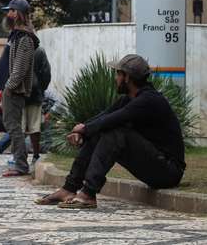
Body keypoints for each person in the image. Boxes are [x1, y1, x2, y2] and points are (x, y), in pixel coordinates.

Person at [37, 54, 186, 210]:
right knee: (102, 130)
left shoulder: (148, 100)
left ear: (126, 77)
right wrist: (82, 131)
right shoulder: (129, 99)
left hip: (169, 172)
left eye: (118, 74)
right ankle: (69, 188)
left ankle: (88, 192)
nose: (116, 78)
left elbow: (115, 119)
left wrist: (85, 129)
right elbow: (104, 116)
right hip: (156, 165)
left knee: (116, 132)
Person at [1, 0, 39, 177]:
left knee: (13, 127)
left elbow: (20, 67)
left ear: (17, 14)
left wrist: (9, 87)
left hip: (15, 90)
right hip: (13, 88)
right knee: (13, 126)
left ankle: (21, 165)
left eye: (10, 10)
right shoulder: (18, 35)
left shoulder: (24, 38)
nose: (8, 14)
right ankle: (19, 163)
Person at [23, 46, 51, 165]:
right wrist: (40, 88)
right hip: (35, 93)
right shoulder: (39, 50)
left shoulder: (17, 46)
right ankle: (35, 155)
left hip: (20, 93)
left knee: (20, 127)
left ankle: (20, 156)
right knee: (35, 126)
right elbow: (46, 73)